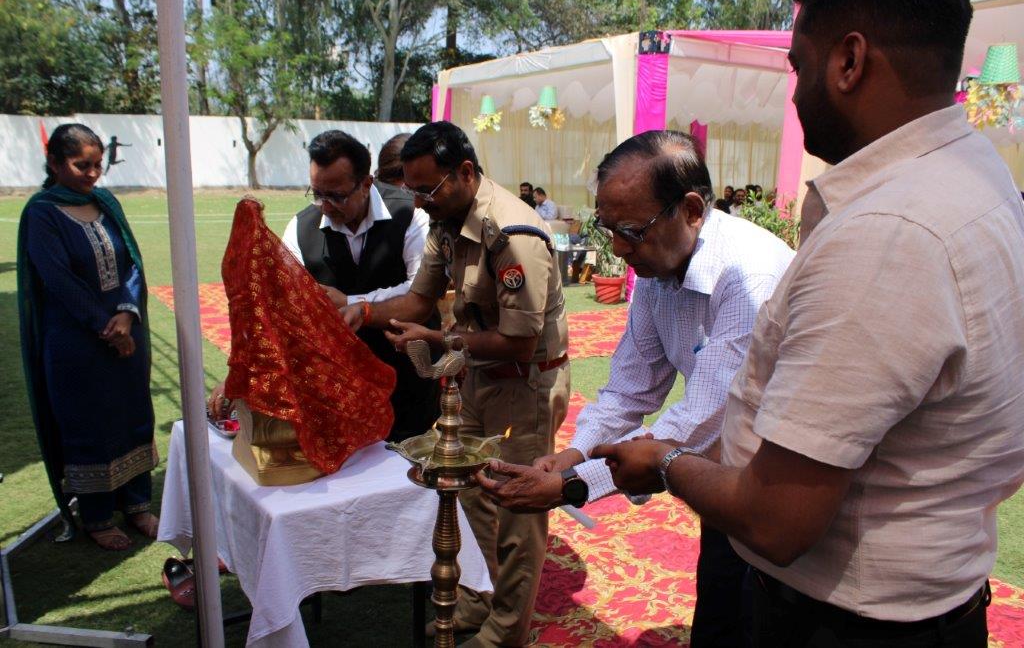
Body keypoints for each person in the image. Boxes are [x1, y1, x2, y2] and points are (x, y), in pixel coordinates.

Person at [593, 0, 1024, 645]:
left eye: (797, 67)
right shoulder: (975, 176)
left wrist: (665, 462)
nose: (793, 94)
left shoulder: (889, 233)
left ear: (849, 61)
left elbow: (776, 519)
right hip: (926, 603)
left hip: (846, 625)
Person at [478, 131, 794, 647]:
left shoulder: (748, 275)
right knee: (719, 613)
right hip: (726, 475)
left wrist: (574, 484)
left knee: (763, 617)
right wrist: (573, 455)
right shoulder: (656, 268)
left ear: (691, 210)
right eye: (609, 230)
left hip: (787, 483)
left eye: (631, 231)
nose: (619, 249)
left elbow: (705, 416)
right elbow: (631, 388)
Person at [341, 121, 570, 647]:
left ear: (465, 172)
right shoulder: (446, 220)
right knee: (464, 486)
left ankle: (507, 632)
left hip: (526, 386)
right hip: (478, 378)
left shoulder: (511, 234)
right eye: (412, 190)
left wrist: (439, 339)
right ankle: (482, 599)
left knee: (516, 506)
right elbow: (418, 300)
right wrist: (363, 312)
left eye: (428, 189)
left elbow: (518, 341)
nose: (420, 203)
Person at [208, 130, 438, 443]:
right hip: (338, 392)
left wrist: (353, 303)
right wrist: (242, 373)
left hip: (407, 381)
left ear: (366, 184)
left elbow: (420, 293)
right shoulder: (300, 228)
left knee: (408, 465)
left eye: (337, 196)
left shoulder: (411, 213)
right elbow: (279, 310)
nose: (326, 206)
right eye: (317, 194)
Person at [17, 123, 158, 551]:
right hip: (76, 342)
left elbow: (132, 263)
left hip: (127, 333)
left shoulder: (106, 203)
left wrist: (127, 314)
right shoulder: (42, 213)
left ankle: (137, 504)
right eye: (82, 165)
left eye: (98, 164)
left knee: (133, 414)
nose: (93, 174)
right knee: (89, 424)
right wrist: (106, 326)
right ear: (55, 163)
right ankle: (96, 516)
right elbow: (59, 279)